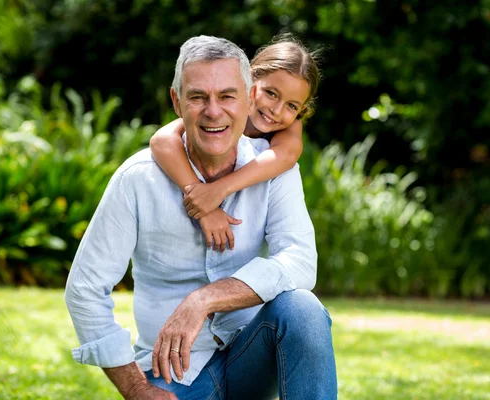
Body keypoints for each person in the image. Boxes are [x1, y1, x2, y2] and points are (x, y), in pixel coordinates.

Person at [65, 35, 337, 399]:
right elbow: (85, 289)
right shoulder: (138, 179)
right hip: (174, 370)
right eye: (198, 97)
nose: (213, 111)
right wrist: (135, 389)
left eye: (227, 96)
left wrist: (205, 299)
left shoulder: (276, 167)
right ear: (177, 102)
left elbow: (301, 262)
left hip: (251, 357)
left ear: (245, 96)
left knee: (302, 309)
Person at [150, 33, 321, 253]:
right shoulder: (219, 110)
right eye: (271, 93)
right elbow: (161, 141)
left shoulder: (289, 128)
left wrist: (218, 190)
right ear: (249, 82)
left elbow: (285, 157)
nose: (276, 110)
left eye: (292, 106)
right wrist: (202, 199)